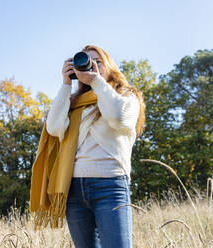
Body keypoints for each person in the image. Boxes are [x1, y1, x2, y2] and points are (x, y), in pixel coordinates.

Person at [29, 45, 145, 248]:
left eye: (97, 62)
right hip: (74, 190)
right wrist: (66, 84)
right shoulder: (74, 102)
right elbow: (54, 128)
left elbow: (118, 118)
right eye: (86, 61)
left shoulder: (126, 96)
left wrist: (95, 81)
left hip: (110, 185)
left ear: (109, 66)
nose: (91, 65)